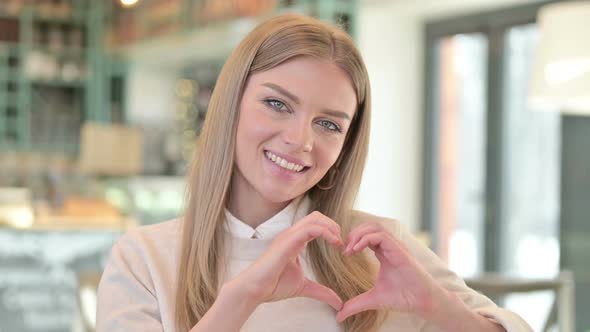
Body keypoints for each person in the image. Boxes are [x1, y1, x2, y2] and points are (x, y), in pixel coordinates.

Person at [96, 14, 533, 332]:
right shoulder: (143, 258)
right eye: (277, 104)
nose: (300, 139)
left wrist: (436, 306)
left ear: (344, 147)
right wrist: (241, 297)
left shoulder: (378, 248)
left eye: (328, 124)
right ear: (230, 105)